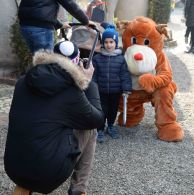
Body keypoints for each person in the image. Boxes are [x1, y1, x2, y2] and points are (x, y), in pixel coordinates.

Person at [4, 41, 104, 195]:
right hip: (48, 175)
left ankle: (24, 187)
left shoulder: (23, 81)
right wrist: (88, 83)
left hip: (13, 168)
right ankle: (78, 189)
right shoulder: (71, 92)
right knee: (89, 128)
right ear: (76, 63)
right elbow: (97, 119)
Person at [92, 25, 132, 143]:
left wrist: (126, 89)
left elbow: (125, 75)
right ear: (103, 43)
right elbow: (93, 75)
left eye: (111, 42)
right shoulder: (97, 58)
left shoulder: (121, 59)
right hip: (101, 91)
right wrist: (93, 87)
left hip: (115, 91)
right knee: (101, 110)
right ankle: (100, 128)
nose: (109, 45)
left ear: (115, 43)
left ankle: (110, 125)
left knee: (113, 110)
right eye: (106, 42)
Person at [18, 0, 89, 54]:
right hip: (41, 29)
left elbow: (38, 8)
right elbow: (69, 4)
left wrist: (60, 24)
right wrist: (86, 21)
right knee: (46, 63)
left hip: (26, 25)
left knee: (38, 59)